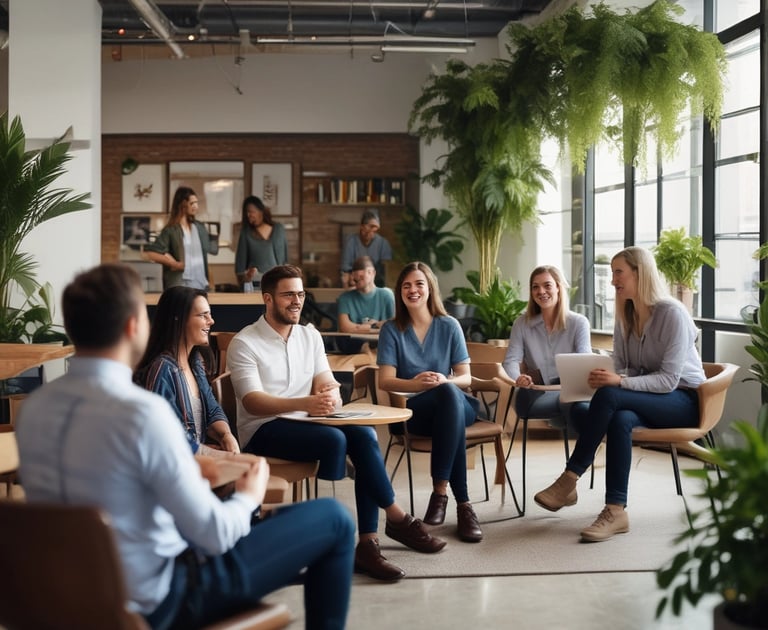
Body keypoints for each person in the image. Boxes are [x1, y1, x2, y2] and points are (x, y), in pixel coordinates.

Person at [15, 263, 354, 629]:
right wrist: (249, 496)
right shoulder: (144, 413)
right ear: (133, 327)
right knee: (334, 519)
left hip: (63, 599)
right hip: (160, 601)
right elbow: (214, 534)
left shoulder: (35, 409)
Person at [227, 264, 447, 582]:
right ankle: (398, 520)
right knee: (336, 441)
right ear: (268, 299)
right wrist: (307, 403)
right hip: (265, 428)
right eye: (288, 294)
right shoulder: (245, 342)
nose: (296, 301)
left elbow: (326, 381)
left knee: (364, 435)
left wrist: (331, 395)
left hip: (310, 421)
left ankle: (369, 544)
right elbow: (252, 401)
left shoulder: (309, 335)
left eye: (301, 294)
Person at [533, 247, 706, 542]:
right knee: (620, 419)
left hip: (684, 400)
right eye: (612, 273)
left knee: (611, 396)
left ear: (640, 273)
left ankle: (569, 478)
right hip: (651, 400)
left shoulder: (672, 314)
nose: (612, 280)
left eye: (618, 272)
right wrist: (606, 375)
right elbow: (626, 369)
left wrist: (618, 381)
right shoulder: (625, 315)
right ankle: (616, 510)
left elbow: (667, 380)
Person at [377, 261, 484, 544]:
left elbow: (465, 378)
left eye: (419, 284)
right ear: (400, 292)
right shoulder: (391, 329)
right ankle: (464, 506)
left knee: (449, 397)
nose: (413, 290)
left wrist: (443, 382)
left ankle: (441, 493)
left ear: (430, 288)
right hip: (414, 411)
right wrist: (417, 384)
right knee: (451, 416)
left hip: (457, 404)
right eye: (406, 285)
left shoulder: (449, 326)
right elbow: (385, 381)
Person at [134, 285, 240, 456]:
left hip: (196, 459)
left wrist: (226, 435)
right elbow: (165, 437)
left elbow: (212, 409)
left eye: (210, 314)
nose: (211, 321)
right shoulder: (162, 369)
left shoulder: (195, 363)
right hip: (177, 466)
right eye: (202, 315)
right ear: (179, 319)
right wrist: (210, 454)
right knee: (255, 470)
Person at [502, 265, 591, 433]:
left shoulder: (579, 323)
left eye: (547, 285)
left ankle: (582, 454)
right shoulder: (522, 324)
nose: (541, 291)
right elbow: (511, 361)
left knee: (578, 404)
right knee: (576, 406)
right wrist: (518, 379)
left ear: (558, 287)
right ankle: (585, 453)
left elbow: (584, 362)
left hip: (569, 392)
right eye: (535, 287)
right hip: (534, 393)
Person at [145, 186, 218, 290]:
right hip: (180, 284)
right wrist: (173, 263)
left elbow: (212, 250)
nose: (196, 206)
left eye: (197, 203)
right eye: (192, 203)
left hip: (201, 284)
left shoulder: (200, 227)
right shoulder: (171, 230)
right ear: (183, 204)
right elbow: (150, 253)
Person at [335, 255, 394, 355]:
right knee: (342, 339)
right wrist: (375, 326)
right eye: (355, 277)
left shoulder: (387, 295)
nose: (356, 280)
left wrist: (361, 328)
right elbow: (344, 327)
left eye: (361, 277)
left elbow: (394, 324)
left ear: (372, 273)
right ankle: (366, 348)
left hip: (381, 338)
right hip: (355, 341)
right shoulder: (345, 298)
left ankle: (371, 348)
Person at [235, 195, 288, 288]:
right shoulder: (246, 233)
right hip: (255, 285)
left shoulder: (278, 229)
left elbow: (285, 260)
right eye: (247, 212)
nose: (249, 215)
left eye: (252, 211)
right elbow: (240, 266)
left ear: (261, 211)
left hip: (276, 283)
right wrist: (244, 281)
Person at [340, 209, 392, 288]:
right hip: (355, 282)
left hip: (377, 284)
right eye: (369, 227)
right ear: (361, 227)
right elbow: (345, 268)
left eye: (374, 229)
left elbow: (387, 271)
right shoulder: (350, 242)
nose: (371, 232)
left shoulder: (383, 244)